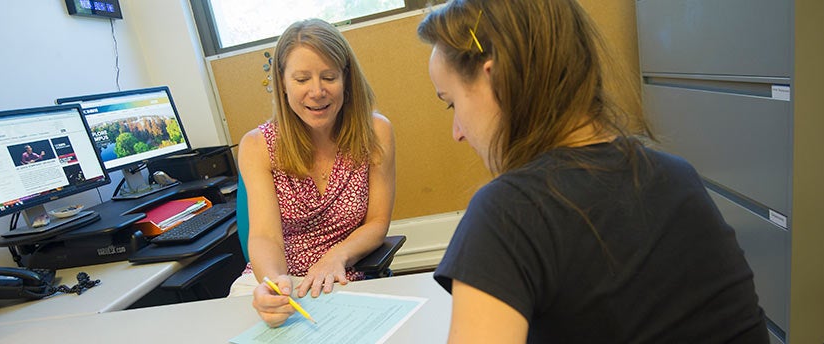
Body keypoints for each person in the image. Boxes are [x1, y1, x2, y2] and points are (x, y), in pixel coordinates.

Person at [417, 1, 768, 343]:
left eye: (452, 103)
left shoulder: (507, 213)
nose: (457, 132)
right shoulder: (678, 176)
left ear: (498, 80)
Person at [229, 18, 396, 328]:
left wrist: (337, 256)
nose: (317, 91)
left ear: (346, 78)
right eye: (302, 79)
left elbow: (377, 222)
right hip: (276, 278)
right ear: (282, 82)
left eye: (329, 77)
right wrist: (276, 283)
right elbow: (265, 236)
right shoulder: (257, 145)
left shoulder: (376, 132)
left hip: (340, 275)